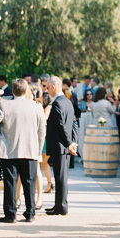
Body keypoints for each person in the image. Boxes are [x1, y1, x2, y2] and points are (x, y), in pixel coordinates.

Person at [0, 78, 46, 223]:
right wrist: (38, 148)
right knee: (29, 182)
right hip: (30, 149)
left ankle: (10, 213)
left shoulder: (5, 106)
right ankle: (30, 212)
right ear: (26, 91)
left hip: (9, 150)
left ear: (13, 91)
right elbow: (42, 129)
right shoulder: (36, 107)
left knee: (10, 183)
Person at [45, 76, 78, 216]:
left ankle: (61, 206)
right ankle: (58, 204)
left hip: (60, 146)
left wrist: (70, 143)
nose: (47, 90)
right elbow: (74, 124)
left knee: (60, 178)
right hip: (65, 146)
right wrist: (73, 141)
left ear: (53, 86)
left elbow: (61, 126)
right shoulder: (68, 102)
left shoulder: (58, 103)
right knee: (60, 178)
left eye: (47, 87)